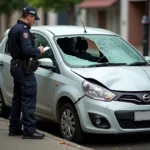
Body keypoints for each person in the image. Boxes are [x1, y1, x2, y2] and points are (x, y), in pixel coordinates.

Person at [8, 6, 45, 139]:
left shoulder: (13, 29)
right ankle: (29, 130)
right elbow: (27, 50)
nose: (34, 21)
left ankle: (14, 127)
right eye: (33, 19)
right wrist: (39, 51)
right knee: (29, 98)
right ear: (29, 17)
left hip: (16, 66)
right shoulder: (23, 31)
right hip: (24, 69)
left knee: (17, 99)